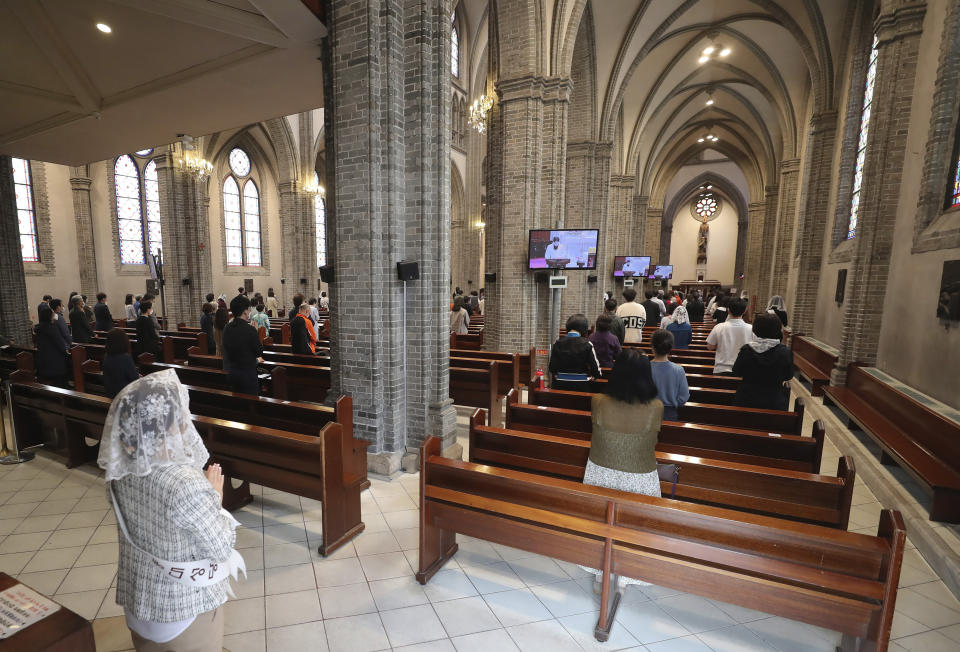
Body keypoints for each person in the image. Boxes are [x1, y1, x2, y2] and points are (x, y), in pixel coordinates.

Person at [97, 370, 244, 651]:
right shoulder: (185, 483)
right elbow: (221, 547)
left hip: (139, 600)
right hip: (182, 610)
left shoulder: (121, 471)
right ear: (174, 425)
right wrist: (215, 497)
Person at [580, 348, 662, 591]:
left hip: (600, 471)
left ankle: (598, 569)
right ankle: (627, 572)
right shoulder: (656, 407)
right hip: (640, 476)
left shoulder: (598, 402)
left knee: (599, 519)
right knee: (636, 524)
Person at [733, 314, 794, 411]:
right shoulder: (785, 352)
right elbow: (788, 375)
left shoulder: (746, 350)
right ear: (778, 330)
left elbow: (736, 371)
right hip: (774, 403)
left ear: (755, 329)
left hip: (746, 401)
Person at [221, 295, 264, 395]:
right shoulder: (250, 329)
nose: (249, 311)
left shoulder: (227, 328)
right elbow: (259, 352)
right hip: (247, 374)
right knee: (250, 404)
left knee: (238, 404)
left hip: (231, 372)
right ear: (245, 311)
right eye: (248, 309)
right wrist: (256, 332)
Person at [548, 314, 601, 390]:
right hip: (581, 386)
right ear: (584, 329)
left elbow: (552, 368)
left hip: (560, 387)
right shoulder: (587, 344)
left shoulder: (557, 343)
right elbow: (596, 371)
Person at [706, 298, 753, 375]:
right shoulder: (751, 328)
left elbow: (710, 347)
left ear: (728, 310)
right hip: (743, 370)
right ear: (745, 311)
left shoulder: (719, 327)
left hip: (721, 369)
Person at [650, 330, 689, 421]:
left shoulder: (645, 368)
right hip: (669, 413)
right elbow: (684, 396)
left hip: (648, 412)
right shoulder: (678, 370)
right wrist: (674, 403)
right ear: (670, 348)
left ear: (652, 347)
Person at [35, 305, 69, 386]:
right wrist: (66, 351)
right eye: (53, 314)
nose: (54, 316)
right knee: (60, 383)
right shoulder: (51, 327)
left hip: (44, 359)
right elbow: (59, 342)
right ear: (49, 316)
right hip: (55, 361)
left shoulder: (39, 327)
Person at [102, 328, 140, 398]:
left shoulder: (106, 357)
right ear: (123, 341)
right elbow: (135, 378)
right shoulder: (125, 358)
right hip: (124, 395)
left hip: (110, 393)